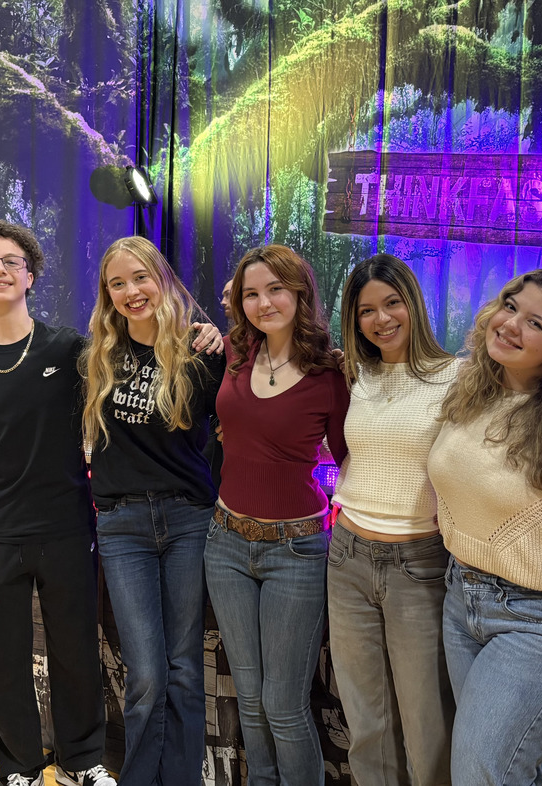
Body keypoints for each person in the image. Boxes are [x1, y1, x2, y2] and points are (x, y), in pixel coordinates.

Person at [0, 220, 116, 786]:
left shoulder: (70, 350)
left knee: (75, 653)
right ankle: (19, 768)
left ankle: (81, 762)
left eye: (11, 261)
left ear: (30, 275)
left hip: (66, 528)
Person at [427, 269, 542, 786]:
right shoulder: (468, 391)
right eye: (509, 306)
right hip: (461, 600)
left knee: (483, 771)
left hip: (539, 619)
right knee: (507, 771)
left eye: (535, 323)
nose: (510, 325)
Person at [80, 236, 225, 785]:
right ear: (107, 294)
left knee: (184, 667)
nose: (131, 291)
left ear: (162, 279)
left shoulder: (202, 352)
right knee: (144, 673)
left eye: (140, 277)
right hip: (123, 527)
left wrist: (220, 336)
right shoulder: (97, 357)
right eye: (117, 283)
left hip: (189, 519)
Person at [205, 244, 349, 786]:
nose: (263, 302)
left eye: (275, 290)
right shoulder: (232, 353)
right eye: (251, 293)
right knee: (248, 695)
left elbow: (352, 460)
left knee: (283, 704)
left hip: (297, 550)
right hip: (225, 543)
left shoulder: (329, 375)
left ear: (300, 293)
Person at [328, 254, 457, 786]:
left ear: (414, 305)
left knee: (428, 725)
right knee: (367, 723)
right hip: (347, 556)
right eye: (366, 310)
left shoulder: (457, 377)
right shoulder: (353, 374)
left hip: (419, 563)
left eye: (392, 303)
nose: (381, 319)